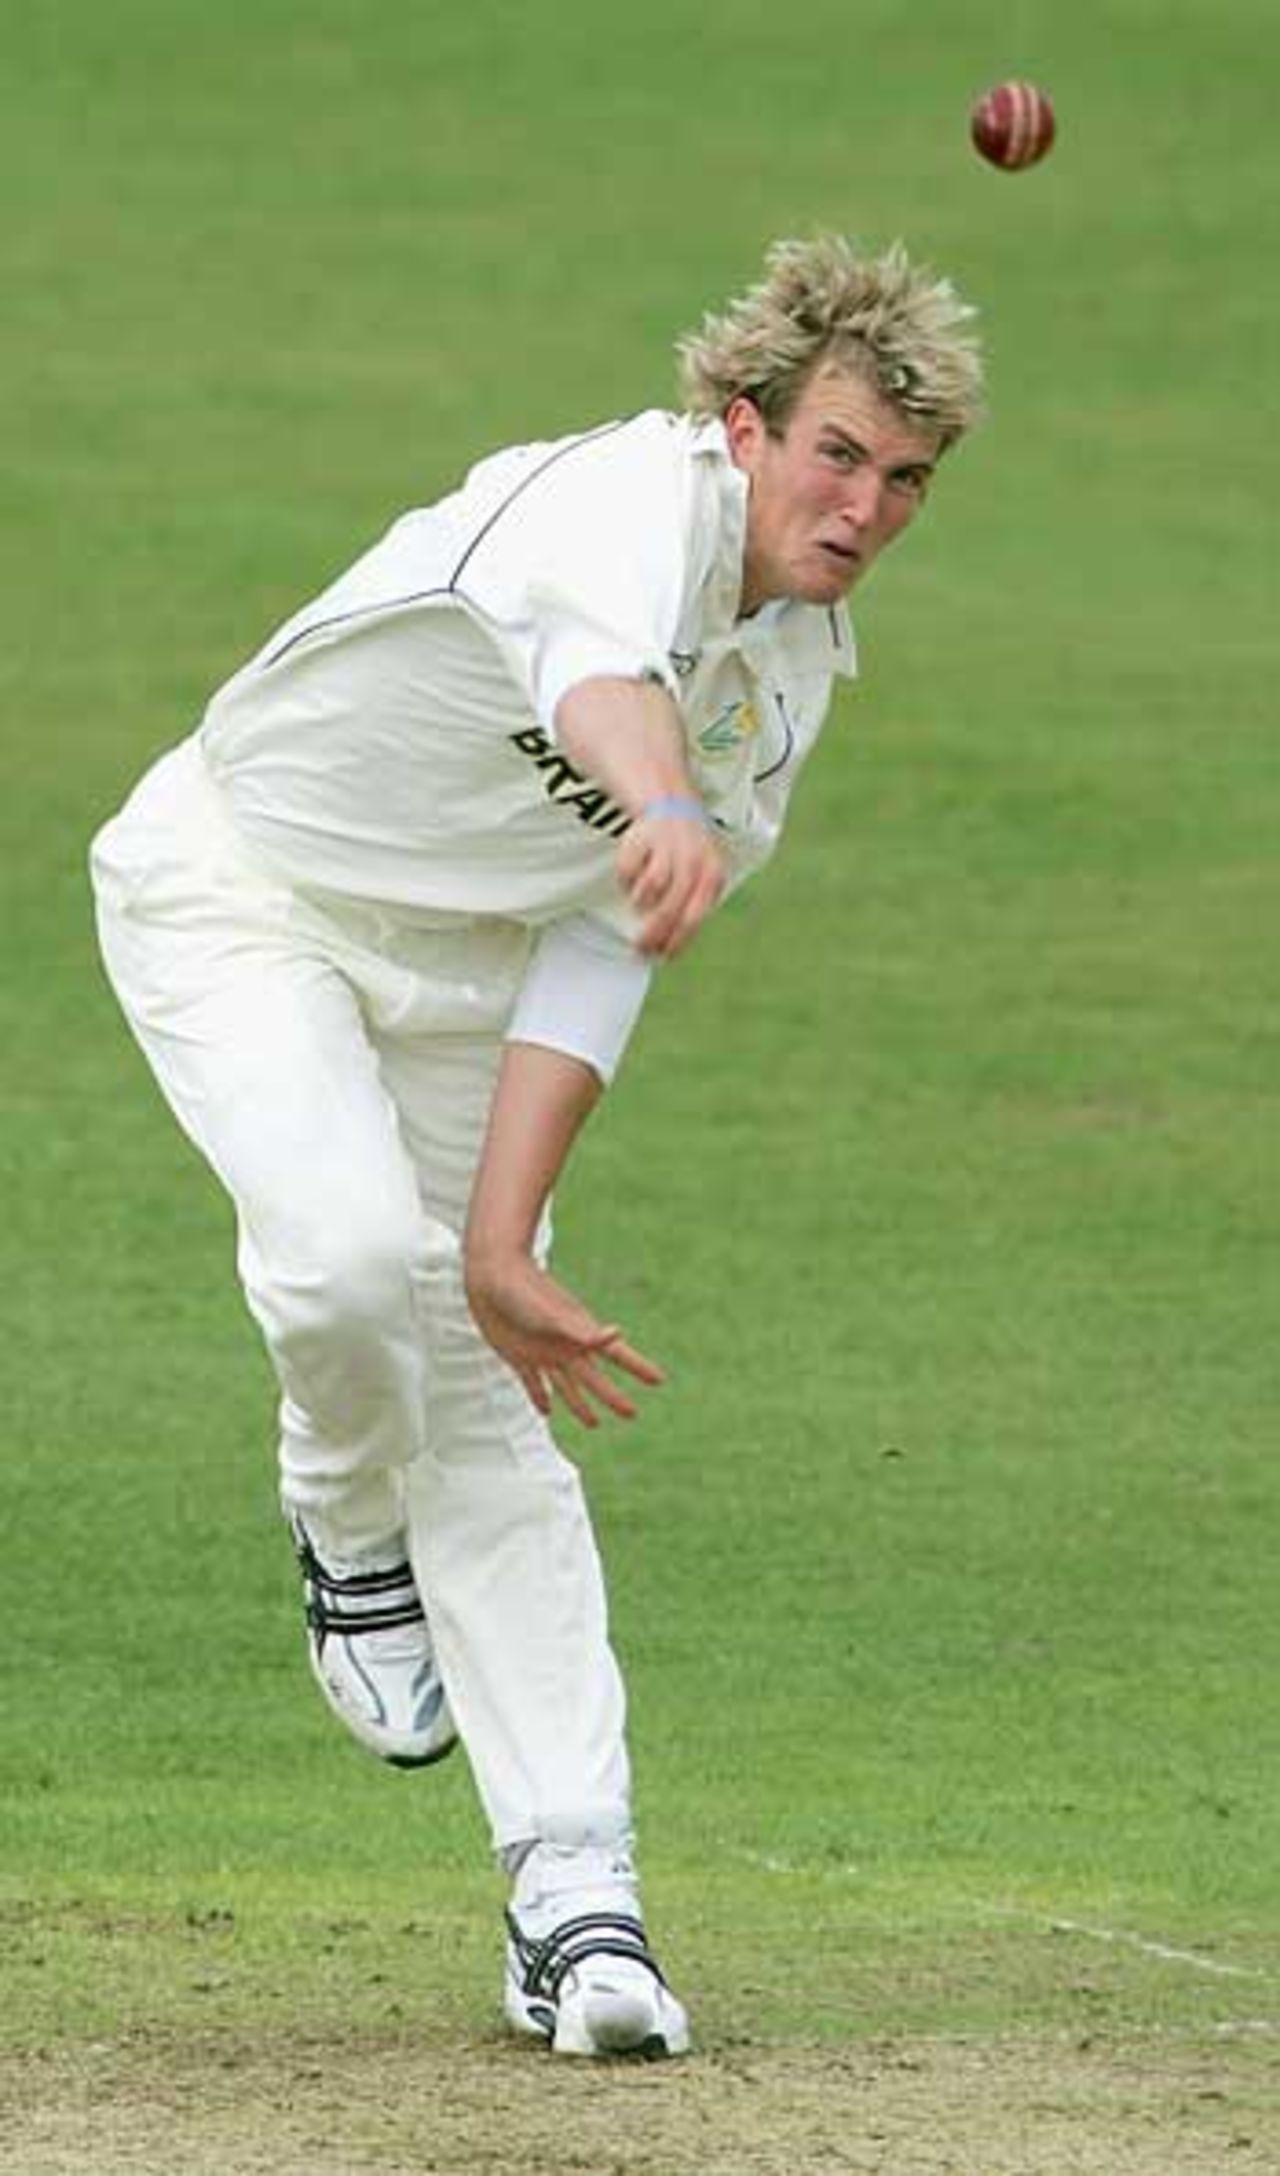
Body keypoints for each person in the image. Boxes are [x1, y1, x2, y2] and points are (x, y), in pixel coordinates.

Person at [90, 234, 983, 2059]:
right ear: (744, 426)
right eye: (835, 454)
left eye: (903, 479)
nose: (866, 506)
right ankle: (345, 1521)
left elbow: (599, 948)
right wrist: (656, 802)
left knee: (478, 1370)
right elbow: (596, 681)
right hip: (245, 889)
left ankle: (579, 1902)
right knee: (340, 1266)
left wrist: (504, 1249)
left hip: (468, 982)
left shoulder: (793, 680)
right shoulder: (612, 500)